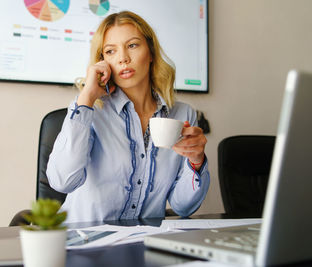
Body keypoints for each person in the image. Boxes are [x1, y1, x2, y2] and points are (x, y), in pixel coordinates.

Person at [47, 11, 210, 223]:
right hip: (83, 244)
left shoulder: (182, 114)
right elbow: (62, 181)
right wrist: (87, 95)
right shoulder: (90, 110)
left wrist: (196, 161)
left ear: (150, 53)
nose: (123, 58)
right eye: (110, 51)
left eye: (132, 45)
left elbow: (183, 206)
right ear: (102, 62)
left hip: (139, 246)